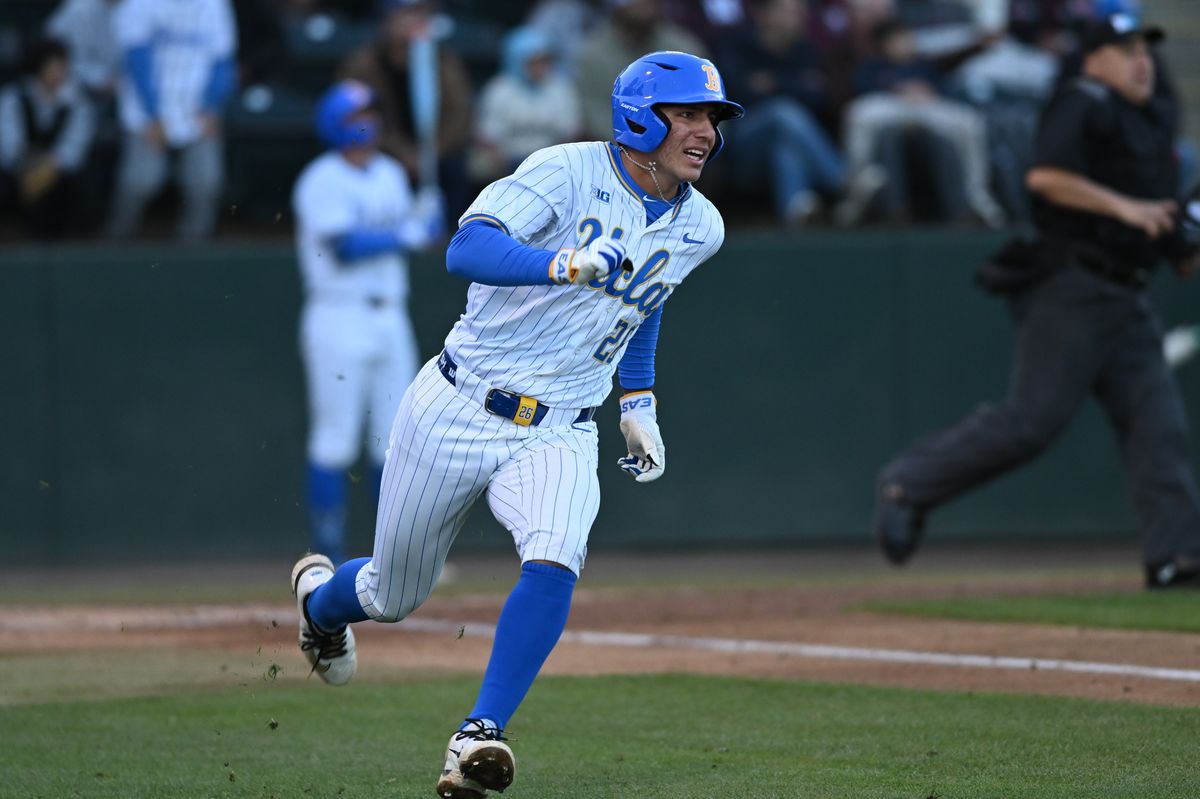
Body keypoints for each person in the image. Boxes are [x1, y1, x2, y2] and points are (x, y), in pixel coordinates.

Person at [290, 50, 742, 797]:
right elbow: (465, 246)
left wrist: (638, 403)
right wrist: (561, 263)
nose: (703, 131)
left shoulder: (704, 227)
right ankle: (318, 605)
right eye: (687, 113)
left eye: (712, 118)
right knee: (390, 594)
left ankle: (477, 735)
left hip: (562, 422)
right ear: (640, 115)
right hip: (461, 402)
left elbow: (647, 300)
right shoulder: (567, 170)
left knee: (556, 553)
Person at [871, 14, 1200, 589]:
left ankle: (1175, 557)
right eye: (1124, 51)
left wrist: (1182, 243)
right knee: (1031, 424)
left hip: (1128, 292)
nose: (1140, 60)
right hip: (1072, 287)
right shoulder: (1082, 98)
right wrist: (1127, 209)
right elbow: (1046, 177)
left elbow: (1168, 230)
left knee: (1159, 427)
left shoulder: (1149, 120)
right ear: (1095, 59)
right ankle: (909, 484)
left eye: (1143, 50)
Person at [292, 80, 442, 566]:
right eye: (359, 113)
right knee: (336, 438)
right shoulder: (321, 178)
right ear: (337, 124)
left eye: (374, 112)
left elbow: (412, 232)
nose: (370, 121)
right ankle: (328, 555)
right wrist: (409, 233)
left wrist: (427, 220)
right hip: (339, 313)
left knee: (394, 439)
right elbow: (345, 246)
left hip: (390, 315)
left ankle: (392, 558)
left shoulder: (390, 174)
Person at [838, 17, 1005, 227]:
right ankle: (857, 187)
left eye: (905, 38)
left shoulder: (922, 64)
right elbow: (861, 89)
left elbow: (944, 83)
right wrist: (897, 88)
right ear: (884, 44)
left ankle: (977, 196)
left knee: (970, 121)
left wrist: (925, 91)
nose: (904, 44)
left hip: (926, 108)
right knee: (858, 113)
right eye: (896, 40)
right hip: (890, 106)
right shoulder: (873, 65)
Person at [105, 0, 238, 240]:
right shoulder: (139, 4)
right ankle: (115, 242)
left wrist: (210, 105)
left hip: (196, 107)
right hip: (146, 110)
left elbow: (223, 60)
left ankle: (193, 248)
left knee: (206, 182)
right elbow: (136, 59)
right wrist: (154, 116)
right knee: (140, 182)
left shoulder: (215, 4)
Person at [337, 0, 472, 219]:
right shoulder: (364, 63)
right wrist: (403, 152)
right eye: (406, 14)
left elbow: (459, 113)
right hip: (383, 149)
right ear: (387, 20)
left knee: (456, 169)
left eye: (421, 14)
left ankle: (453, 237)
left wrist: (432, 151)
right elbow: (355, 115)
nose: (415, 22)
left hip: (438, 151)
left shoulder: (444, 60)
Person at [0, 38, 96, 240]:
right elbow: (9, 146)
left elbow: (74, 149)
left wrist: (48, 167)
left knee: (72, 187)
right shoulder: (13, 97)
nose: (59, 74)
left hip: (59, 174)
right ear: (38, 67)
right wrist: (30, 165)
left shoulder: (77, 101)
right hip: (19, 171)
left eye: (63, 67)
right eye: (53, 67)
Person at [575, 0, 708, 140]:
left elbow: (710, 105)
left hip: (681, 146)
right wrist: (640, 142)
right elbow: (592, 113)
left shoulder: (684, 49)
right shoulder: (594, 54)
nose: (644, 5)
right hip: (618, 150)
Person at [469, 26, 581, 184]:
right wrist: (504, 164)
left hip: (550, 159)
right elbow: (487, 137)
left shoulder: (560, 87)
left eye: (545, 61)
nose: (540, 68)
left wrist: (551, 162)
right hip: (507, 159)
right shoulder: (499, 89)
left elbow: (571, 133)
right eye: (534, 62)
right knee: (480, 166)